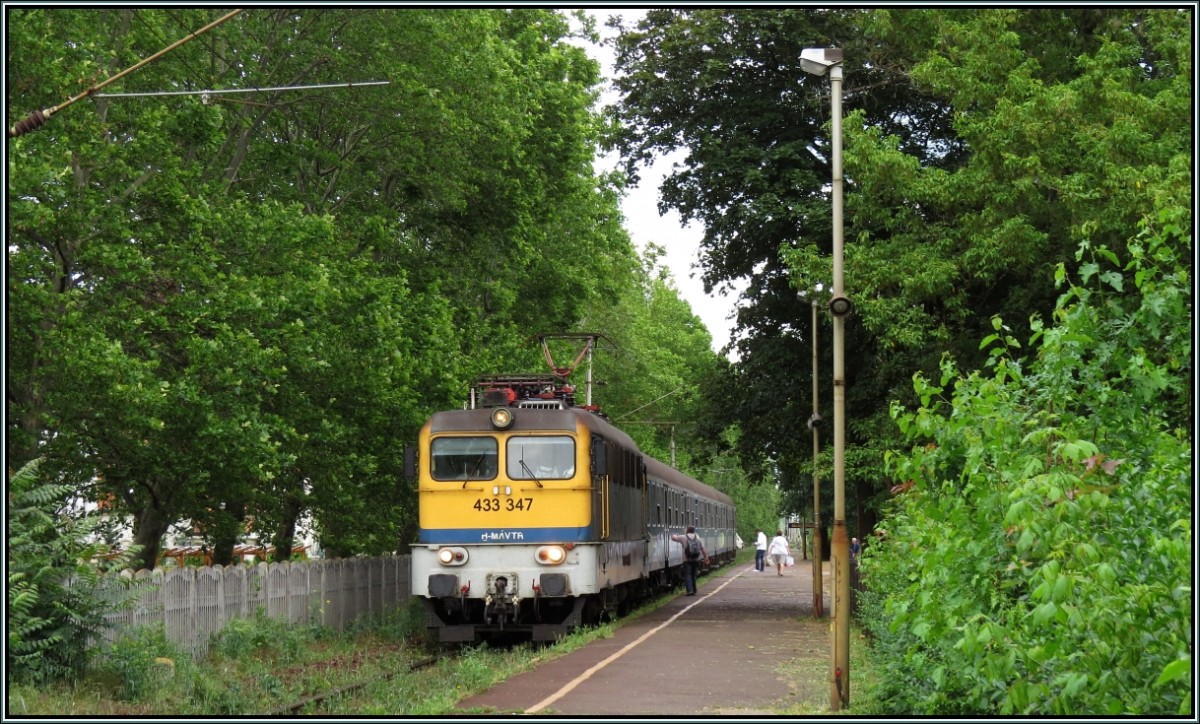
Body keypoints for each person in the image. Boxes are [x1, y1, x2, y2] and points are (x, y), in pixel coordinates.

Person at [670, 526, 709, 596]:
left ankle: (690, 591)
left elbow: (673, 538)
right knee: (693, 575)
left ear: (687, 531)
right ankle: (694, 590)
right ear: (693, 531)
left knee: (688, 575)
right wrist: (706, 557)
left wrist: (673, 535)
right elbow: (702, 549)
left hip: (687, 560)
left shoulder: (683, 537)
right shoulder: (698, 537)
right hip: (696, 560)